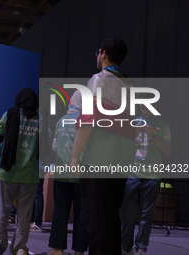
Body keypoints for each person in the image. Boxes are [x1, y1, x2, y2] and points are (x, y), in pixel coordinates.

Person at [70, 38, 136, 255]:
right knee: (110, 219)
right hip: (122, 160)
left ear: (104, 53)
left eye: (98, 52)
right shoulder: (129, 83)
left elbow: (88, 119)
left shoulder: (99, 79)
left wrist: (75, 157)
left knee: (96, 222)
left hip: (99, 160)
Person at [0, 88, 40, 255]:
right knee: (24, 215)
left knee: (1, 211)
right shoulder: (41, 119)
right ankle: (19, 248)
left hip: (8, 172)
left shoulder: (9, 114)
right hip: (30, 175)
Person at [120, 103, 171, 255]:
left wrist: (153, 135)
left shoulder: (163, 125)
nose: (145, 111)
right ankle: (125, 247)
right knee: (127, 213)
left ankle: (141, 247)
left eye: (148, 108)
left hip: (152, 174)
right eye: (142, 108)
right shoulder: (134, 122)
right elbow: (123, 147)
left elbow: (167, 152)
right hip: (132, 172)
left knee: (146, 214)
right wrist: (136, 133)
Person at [48, 91, 88, 255]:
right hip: (81, 175)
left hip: (62, 173)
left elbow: (54, 147)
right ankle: (79, 250)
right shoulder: (86, 121)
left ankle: (58, 249)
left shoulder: (61, 121)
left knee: (60, 212)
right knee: (81, 213)